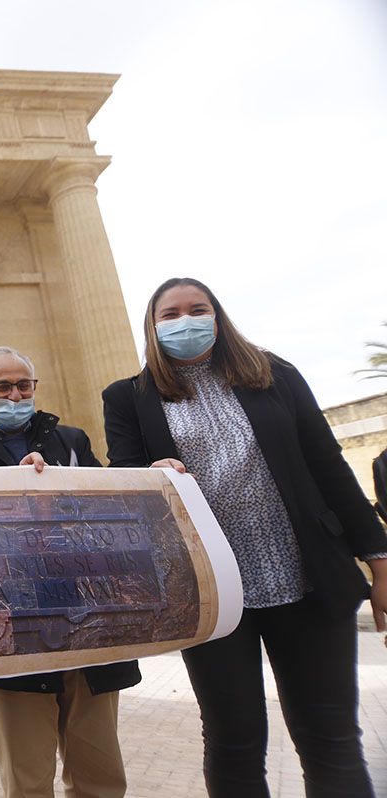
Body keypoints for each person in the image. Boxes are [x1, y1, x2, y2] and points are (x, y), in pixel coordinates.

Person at [101, 276, 387, 798]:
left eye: (197, 308)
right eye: (170, 314)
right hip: (211, 590)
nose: (185, 320)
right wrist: (151, 473)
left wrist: (379, 557)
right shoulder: (129, 398)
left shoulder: (274, 376)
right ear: (152, 325)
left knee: (331, 737)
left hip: (307, 577)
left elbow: (328, 465)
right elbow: (126, 477)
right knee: (234, 740)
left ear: (218, 315)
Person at [0, 346, 137, 798]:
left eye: (24, 385)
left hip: (88, 625)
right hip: (12, 634)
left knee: (100, 776)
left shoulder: (72, 440)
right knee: (27, 780)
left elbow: (107, 509)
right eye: (2, 386)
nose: (15, 394)